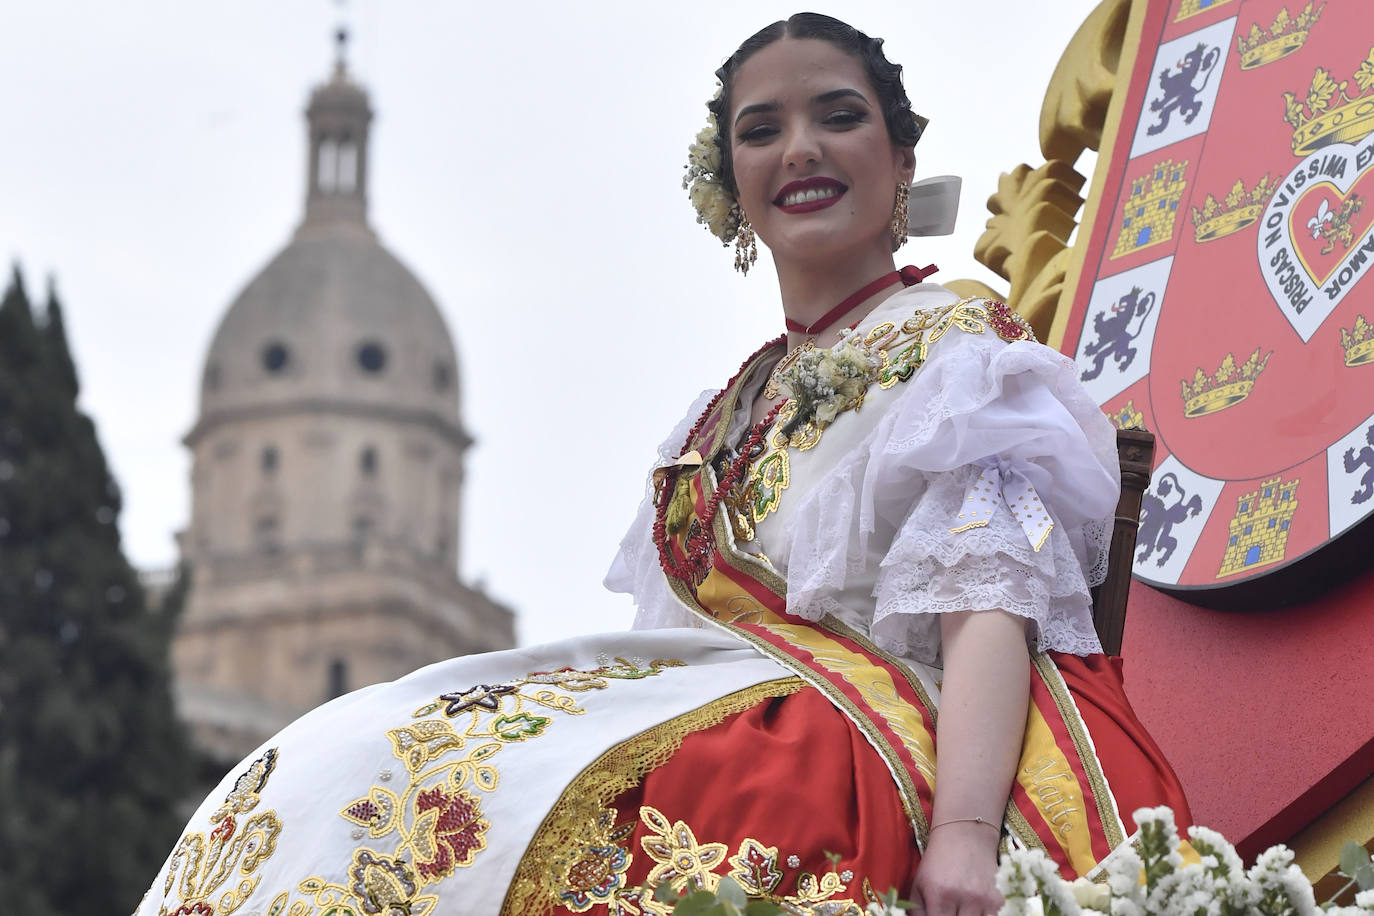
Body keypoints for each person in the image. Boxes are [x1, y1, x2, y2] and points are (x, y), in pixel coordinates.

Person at [136, 14, 1190, 916]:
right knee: (360, 755)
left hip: (878, 749)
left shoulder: (960, 349)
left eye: (838, 116)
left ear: (903, 158)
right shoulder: (723, 407)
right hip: (755, 730)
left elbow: (988, 596)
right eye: (761, 130)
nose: (800, 150)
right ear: (730, 182)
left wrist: (963, 829)